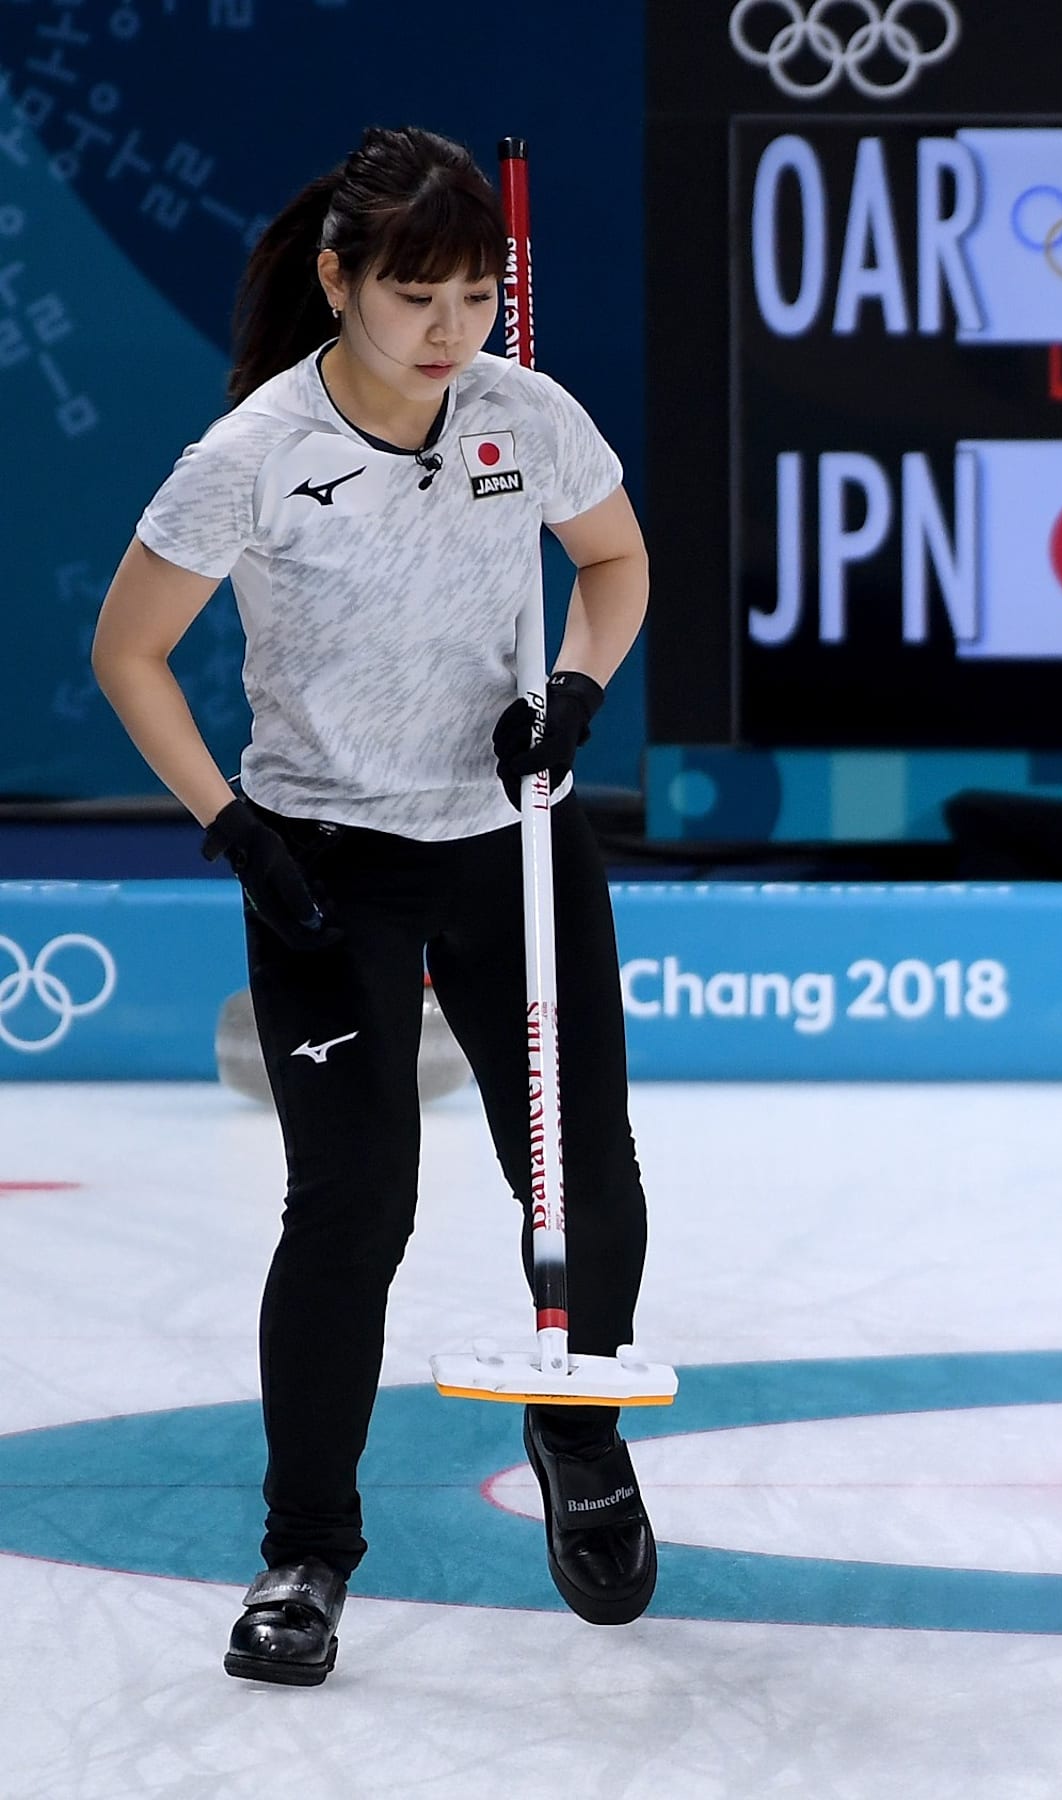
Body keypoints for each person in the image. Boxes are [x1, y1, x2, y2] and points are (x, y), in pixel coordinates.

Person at [90, 127, 659, 1685]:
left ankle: (580, 1437)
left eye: (476, 295)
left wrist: (575, 689)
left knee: (583, 1177)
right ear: (339, 281)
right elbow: (127, 649)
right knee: (352, 1216)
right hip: (324, 864)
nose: (448, 330)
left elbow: (613, 564)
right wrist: (231, 827)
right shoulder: (253, 452)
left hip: (513, 847)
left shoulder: (523, 415)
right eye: (416, 295)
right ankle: (306, 1553)